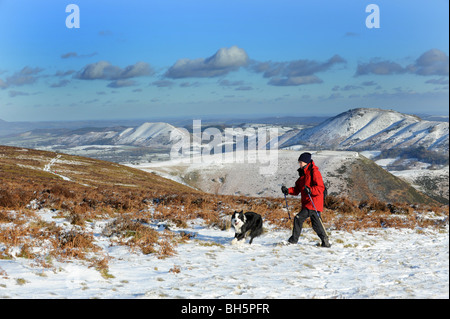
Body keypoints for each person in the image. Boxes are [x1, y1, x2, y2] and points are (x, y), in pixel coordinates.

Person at [281, 152, 331, 247]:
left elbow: (320, 188)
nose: (299, 164)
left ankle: (293, 240)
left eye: (301, 162)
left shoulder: (314, 172)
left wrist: (310, 190)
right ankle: (326, 242)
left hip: (314, 203)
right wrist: (287, 190)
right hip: (308, 203)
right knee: (316, 225)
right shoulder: (303, 174)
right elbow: (297, 189)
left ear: (307, 162)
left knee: (298, 218)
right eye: (299, 162)